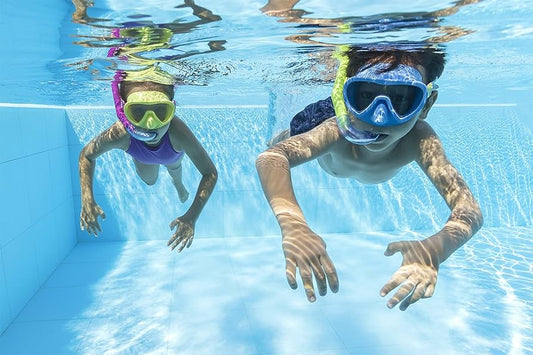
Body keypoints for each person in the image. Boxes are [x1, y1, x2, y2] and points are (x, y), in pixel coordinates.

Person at [255, 45, 483, 310]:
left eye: (400, 99)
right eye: (365, 95)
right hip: (324, 119)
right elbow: (271, 158)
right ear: (348, 95)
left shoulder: (420, 140)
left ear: (426, 105)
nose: (379, 117)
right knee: (280, 139)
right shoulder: (335, 131)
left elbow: (469, 210)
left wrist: (435, 249)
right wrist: (293, 225)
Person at [79, 69, 217, 252]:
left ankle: (178, 186)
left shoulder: (177, 132)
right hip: (143, 157)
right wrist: (87, 199)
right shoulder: (119, 134)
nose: (150, 123)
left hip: (171, 153)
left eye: (161, 111)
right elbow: (86, 155)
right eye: (137, 112)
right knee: (150, 181)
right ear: (123, 111)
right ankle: (175, 181)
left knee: (174, 168)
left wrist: (192, 216)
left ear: (172, 109)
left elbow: (210, 173)